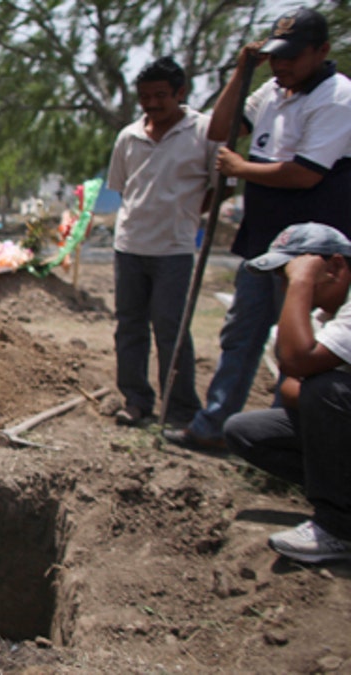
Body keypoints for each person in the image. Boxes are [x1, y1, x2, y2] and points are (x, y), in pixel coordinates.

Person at [165, 7, 351, 450]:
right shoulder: (270, 90)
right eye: (275, 56)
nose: (281, 65)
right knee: (241, 333)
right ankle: (213, 427)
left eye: (291, 56)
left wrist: (241, 168)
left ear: (321, 51)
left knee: (297, 343)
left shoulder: (337, 97)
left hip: (311, 250)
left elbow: (306, 173)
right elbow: (221, 128)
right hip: (265, 241)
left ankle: (286, 436)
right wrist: (242, 73)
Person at [224, 223, 351, 563]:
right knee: (246, 431)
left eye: (290, 275)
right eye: (285, 277)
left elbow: (299, 366)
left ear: (336, 267)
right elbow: (290, 385)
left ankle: (338, 527)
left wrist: (301, 283)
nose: (286, 286)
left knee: (327, 390)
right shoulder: (324, 316)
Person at [105, 57, 214, 427]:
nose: (151, 104)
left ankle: (180, 409)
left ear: (181, 93)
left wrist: (185, 215)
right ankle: (136, 400)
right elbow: (122, 188)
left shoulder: (204, 132)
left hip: (174, 249)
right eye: (145, 97)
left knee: (171, 329)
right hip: (130, 246)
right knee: (129, 327)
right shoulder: (129, 136)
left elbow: (219, 188)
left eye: (160, 96)